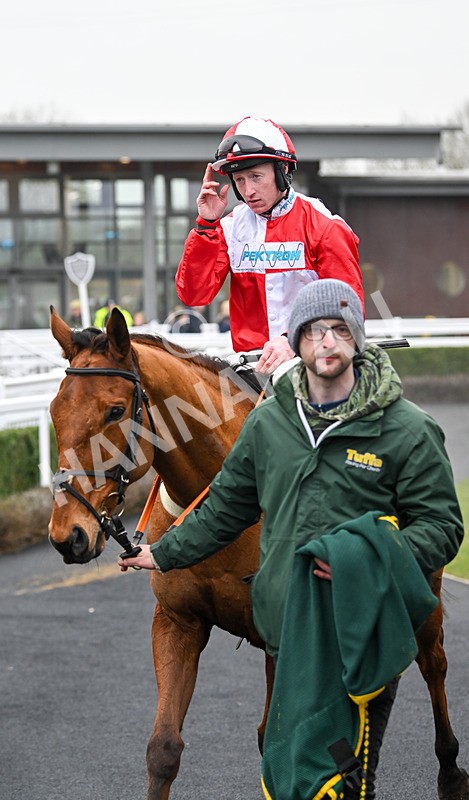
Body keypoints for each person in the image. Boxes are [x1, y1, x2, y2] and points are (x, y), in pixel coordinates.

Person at [118, 279, 463, 798]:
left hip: (360, 630)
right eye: (314, 331)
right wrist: (162, 553)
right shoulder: (268, 425)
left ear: (357, 340)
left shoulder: (407, 430)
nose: (327, 341)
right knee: (286, 774)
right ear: (296, 343)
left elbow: (443, 529)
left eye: (339, 329)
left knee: (339, 779)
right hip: (288, 633)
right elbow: (225, 509)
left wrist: (364, 557)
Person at [176, 116, 363, 374]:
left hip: (313, 365)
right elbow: (194, 295)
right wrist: (207, 225)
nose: (248, 190)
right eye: (239, 180)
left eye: (255, 177)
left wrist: (294, 340)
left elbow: (347, 309)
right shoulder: (228, 228)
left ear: (282, 171)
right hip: (250, 371)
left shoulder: (326, 226)